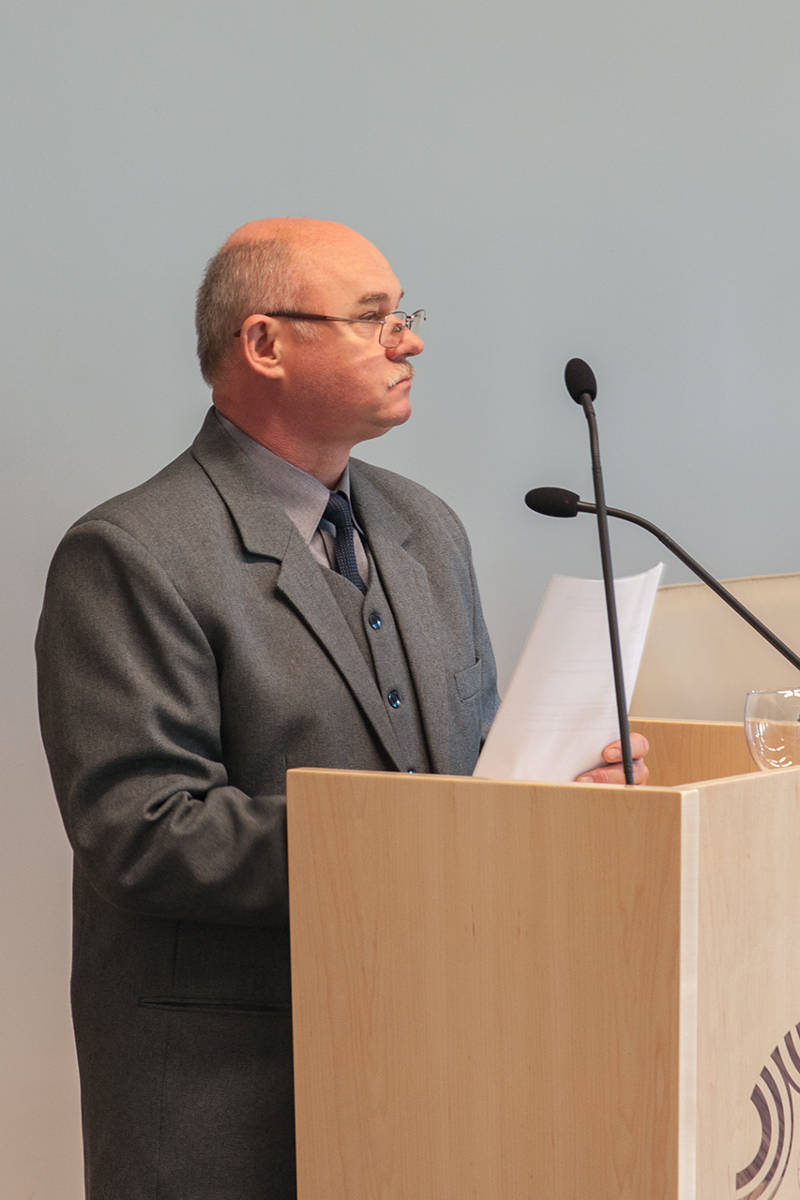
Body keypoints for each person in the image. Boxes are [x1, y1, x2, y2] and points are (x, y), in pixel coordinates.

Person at [36, 218, 648, 1200]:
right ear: (265, 344)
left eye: (403, 314)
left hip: (440, 1071)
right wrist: (415, 838)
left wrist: (561, 793)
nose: (410, 341)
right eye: (373, 318)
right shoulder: (130, 554)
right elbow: (142, 832)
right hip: (231, 1105)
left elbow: (474, 772)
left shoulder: (426, 528)